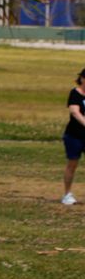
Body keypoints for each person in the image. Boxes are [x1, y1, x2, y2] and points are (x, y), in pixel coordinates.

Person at [63, 68, 85, 205]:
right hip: (74, 136)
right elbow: (75, 112)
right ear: (82, 78)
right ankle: (67, 194)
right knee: (72, 164)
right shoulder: (75, 93)